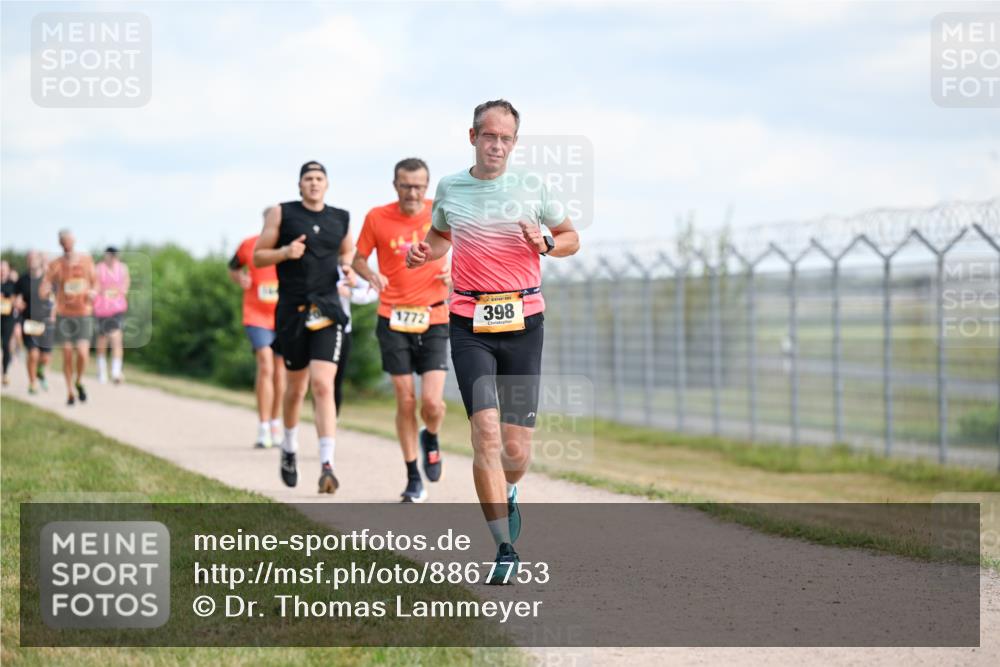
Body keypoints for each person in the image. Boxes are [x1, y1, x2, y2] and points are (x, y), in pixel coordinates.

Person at [406, 100, 580, 583]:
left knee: (516, 452)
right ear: (473, 137)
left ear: (514, 142)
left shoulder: (533, 186)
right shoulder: (450, 187)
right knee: (484, 432)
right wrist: (425, 252)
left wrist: (545, 243)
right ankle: (504, 547)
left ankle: (510, 488)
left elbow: (571, 237)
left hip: (524, 323)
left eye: (505, 138)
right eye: (489, 136)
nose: (497, 145)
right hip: (469, 323)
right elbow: (441, 236)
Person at [353, 158, 451, 503]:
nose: (412, 193)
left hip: (434, 316)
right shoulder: (377, 217)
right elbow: (358, 258)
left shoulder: (441, 211)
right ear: (395, 185)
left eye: (419, 186)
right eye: (406, 186)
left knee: (432, 403)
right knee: (405, 399)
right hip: (393, 318)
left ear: (427, 186)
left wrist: (454, 272)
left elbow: (469, 247)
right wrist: (371, 274)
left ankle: (431, 436)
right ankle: (413, 476)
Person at [254, 161, 354, 494]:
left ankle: (327, 465)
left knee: (323, 385)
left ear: (327, 184)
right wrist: (285, 252)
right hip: (292, 310)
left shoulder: (341, 218)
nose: (313, 183)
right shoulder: (282, 213)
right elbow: (258, 256)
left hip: (327, 310)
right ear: (300, 185)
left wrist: (348, 269)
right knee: (296, 389)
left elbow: (347, 253)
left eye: (319, 178)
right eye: (308, 178)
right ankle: (289, 447)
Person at [229, 227, 285, 448]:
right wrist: (240, 278)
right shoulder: (248, 245)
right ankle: (263, 428)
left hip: (284, 316)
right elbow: (233, 267)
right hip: (256, 316)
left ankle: (275, 422)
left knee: (280, 371)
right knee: (265, 364)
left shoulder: (289, 244)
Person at [47, 229, 96, 405]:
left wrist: (93, 292)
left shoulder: (86, 260)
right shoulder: (55, 264)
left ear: (74, 241)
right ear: (60, 244)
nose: (66, 245)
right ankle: (69, 392)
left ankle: (79, 380)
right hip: (64, 314)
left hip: (83, 313)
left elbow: (95, 282)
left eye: (68, 241)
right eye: (63, 242)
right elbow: (47, 286)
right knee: (67, 354)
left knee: (82, 353)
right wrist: (51, 303)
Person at [334, 265, 378, 415]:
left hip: (341, 329)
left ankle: (331, 423)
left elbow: (373, 290)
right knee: (315, 381)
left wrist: (350, 293)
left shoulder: (345, 268)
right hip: (311, 326)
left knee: (335, 381)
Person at [15, 251, 55, 394]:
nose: (31, 261)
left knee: (45, 357)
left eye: (34, 259)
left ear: (39, 260)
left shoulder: (48, 279)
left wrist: (53, 315)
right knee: (33, 354)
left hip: (46, 323)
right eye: (29, 259)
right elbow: (17, 297)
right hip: (29, 321)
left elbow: (55, 299)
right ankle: (32, 383)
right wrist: (17, 302)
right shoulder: (22, 280)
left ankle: (40, 371)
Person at [94, 247, 131, 384]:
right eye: (111, 255)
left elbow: (126, 286)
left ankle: (116, 371)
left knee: (116, 337)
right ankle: (102, 371)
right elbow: (96, 286)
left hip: (117, 309)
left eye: (115, 256)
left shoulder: (123, 268)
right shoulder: (99, 268)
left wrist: (118, 291)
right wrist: (101, 292)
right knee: (103, 340)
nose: (113, 258)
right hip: (102, 309)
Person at [1, 261, 16, 386]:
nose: (2, 271)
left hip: (7, 319)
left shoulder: (12, 285)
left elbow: (17, 299)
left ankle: (5, 373)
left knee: (6, 345)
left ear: (8, 270)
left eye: (4, 269)